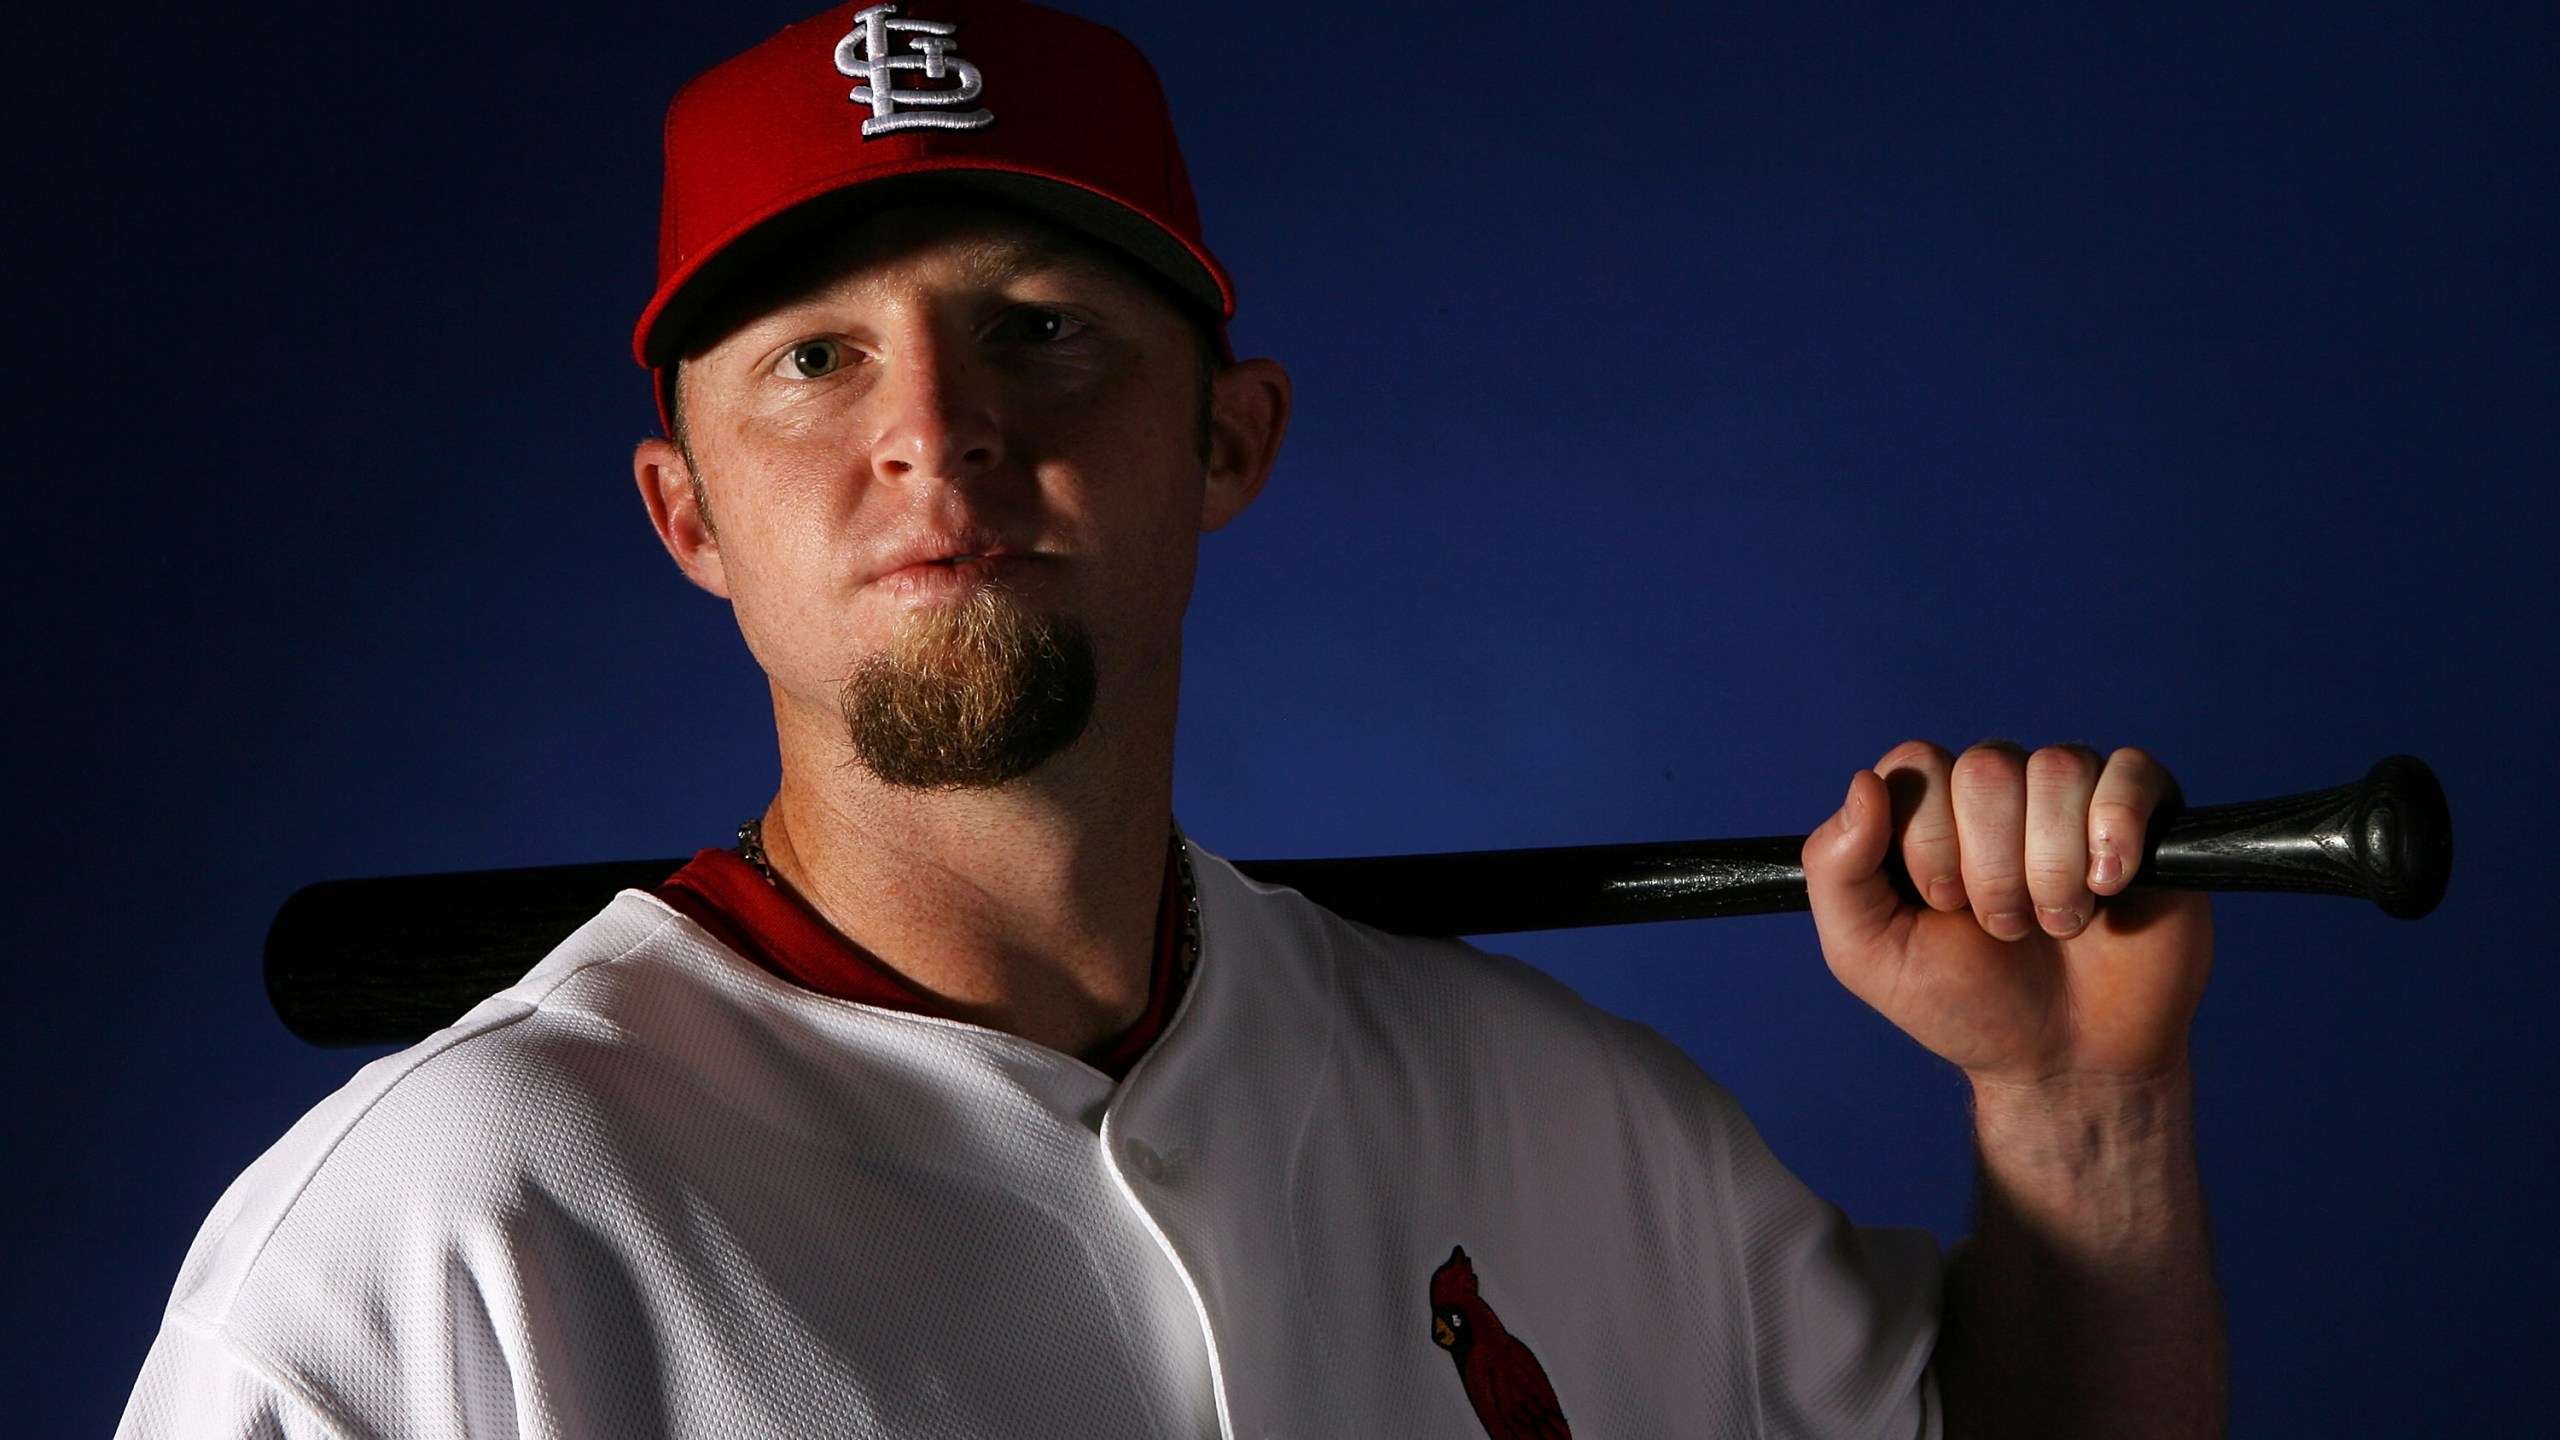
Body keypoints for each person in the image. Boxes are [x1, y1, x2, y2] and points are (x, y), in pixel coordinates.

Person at [120, 2, 2224, 1436]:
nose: (933, 434)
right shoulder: (428, 1247)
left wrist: (2075, 1114)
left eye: (1039, 331)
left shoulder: (1568, 1119)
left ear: (1226, 441)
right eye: (813, 362)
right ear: (687, 512)